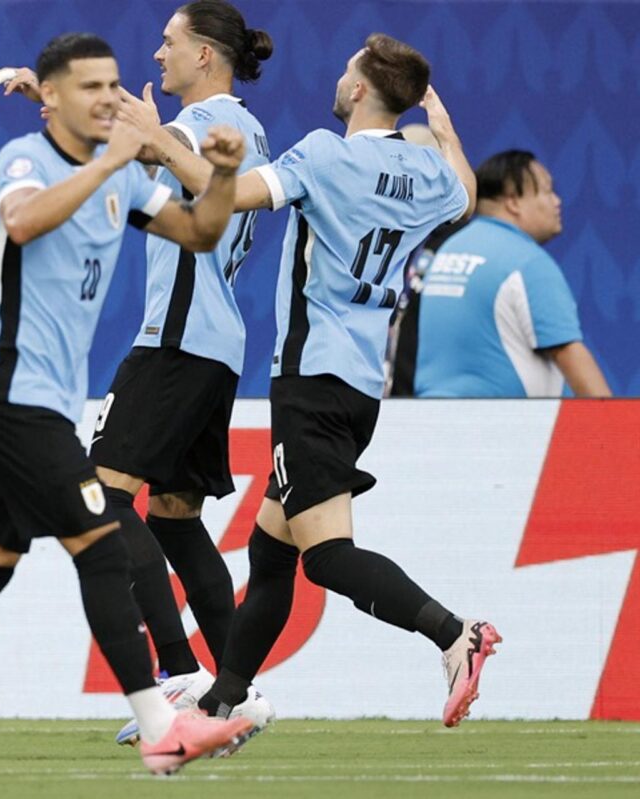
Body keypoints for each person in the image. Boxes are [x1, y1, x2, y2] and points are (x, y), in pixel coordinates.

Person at [0, 32, 252, 780]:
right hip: (10, 396)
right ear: (49, 97)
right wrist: (112, 162)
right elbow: (21, 221)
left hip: (42, 400)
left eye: (112, 85)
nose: (109, 97)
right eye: (90, 87)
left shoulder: (121, 176)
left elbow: (201, 232)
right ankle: (162, 726)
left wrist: (223, 176)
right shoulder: (27, 159)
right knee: (103, 545)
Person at [187, 33, 501, 737]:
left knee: (327, 556)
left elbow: (233, 197)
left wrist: (157, 146)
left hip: (310, 380)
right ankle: (220, 706)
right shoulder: (425, 169)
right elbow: (465, 196)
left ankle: (455, 633)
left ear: (359, 90)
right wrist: (446, 132)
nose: (338, 78)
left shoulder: (323, 155)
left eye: (346, 71)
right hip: (358, 386)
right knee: (271, 553)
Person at [0, 0, 277, 744]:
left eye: (169, 41)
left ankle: (178, 671)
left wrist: (52, 90)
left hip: (175, 339)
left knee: (102, 496)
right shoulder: (245, 128)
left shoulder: (199, 125)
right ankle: (238, 690)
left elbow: (147, 142)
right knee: (174, 519)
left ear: (205, 54)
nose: (157, 53)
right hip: (217, 344)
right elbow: (142, 145)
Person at [412, 150, 611, 397]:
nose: (557, 201)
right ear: (513, 201)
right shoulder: (527, 261)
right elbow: (568, 352)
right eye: (548, 191)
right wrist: (613, 420)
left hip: (428, 412)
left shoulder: (447, 251)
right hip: (503, 418)